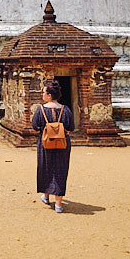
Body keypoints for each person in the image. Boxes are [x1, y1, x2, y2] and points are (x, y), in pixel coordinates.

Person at [31, 80, 74, 213]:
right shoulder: (65, 109)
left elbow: (34, 126)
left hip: (45, 143)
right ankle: (59, 204)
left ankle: (46, 195)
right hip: (62, 143)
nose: (42, 95)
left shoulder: (40, 110)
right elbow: (71, 127)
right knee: (60, 170)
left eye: (43, 92)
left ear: (49, 95)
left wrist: (45, 128)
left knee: (46, 168)